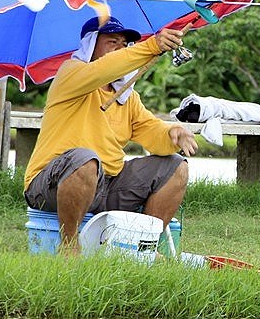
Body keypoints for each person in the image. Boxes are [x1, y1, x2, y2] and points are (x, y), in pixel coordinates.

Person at [23, 16, 198, 255]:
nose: (120, 48)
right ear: (90, 45)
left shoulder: (126, 95)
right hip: (49, 185)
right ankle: (69, 246)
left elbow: (150, 130)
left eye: (124, 44)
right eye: (112, 41)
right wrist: (152, 46)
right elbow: (104, 69)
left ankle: (144, 247)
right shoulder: (71, 74)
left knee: (176, 166)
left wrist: (173, 133)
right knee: (85, 159)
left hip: (107, 187)